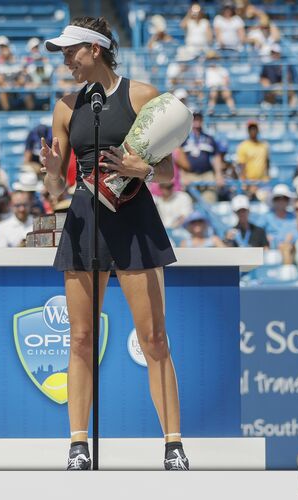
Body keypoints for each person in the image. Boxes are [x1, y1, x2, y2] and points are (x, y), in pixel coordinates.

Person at [41, 16, 189, 470]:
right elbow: (53, 191)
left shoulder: (144, 95)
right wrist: (49, 169)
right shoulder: (65, 106)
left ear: (97, 49)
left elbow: (167, 172)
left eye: (72, 51)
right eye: (63, 53)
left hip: (134, 218)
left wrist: (141, 169)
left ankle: (173, 444)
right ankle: (78, 445)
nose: (66, 60)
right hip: (85, 220)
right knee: (81, 338)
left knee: (154, 337)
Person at [174, 111, 224, 203]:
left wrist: (218, 175)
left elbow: (216, 157)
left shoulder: (209, 138)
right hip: (189, 175)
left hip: (207, 174)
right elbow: (178, 158)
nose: (197, 123)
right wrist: (183, 175)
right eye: (194, 120)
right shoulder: (183, 139)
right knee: (189, 202)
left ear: (202, 121)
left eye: (199, 120)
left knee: (210, 200)